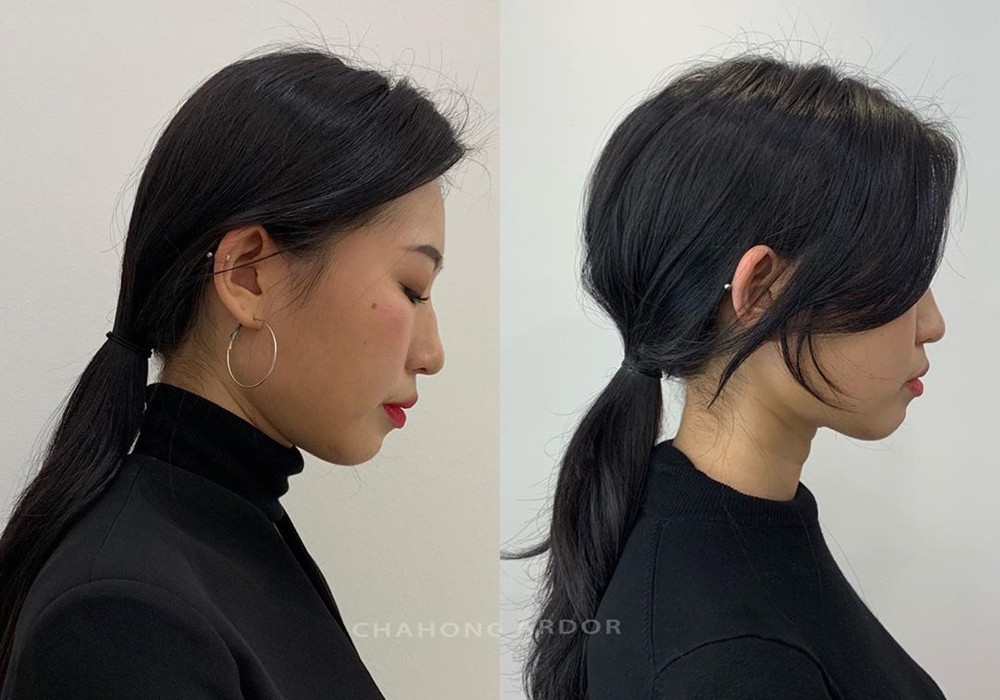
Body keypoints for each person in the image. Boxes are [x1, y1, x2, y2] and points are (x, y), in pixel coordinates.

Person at [0, 44, 464, 698]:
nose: (432, 353)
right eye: (412, 289)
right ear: (247, 275)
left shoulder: (236, 533)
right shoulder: (125, 618)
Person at [504, 52, 956, 699]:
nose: (932, 323)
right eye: (904, 279)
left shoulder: (727, 523)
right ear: (761, 289)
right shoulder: (725, 661)